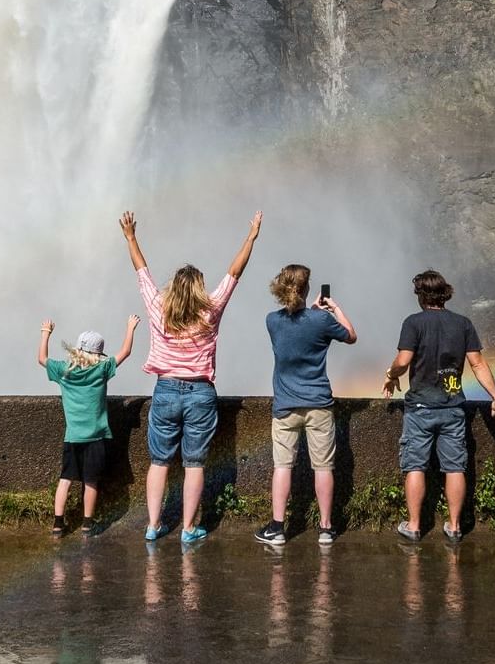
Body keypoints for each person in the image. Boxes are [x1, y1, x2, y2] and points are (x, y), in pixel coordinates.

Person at [120, 208, 262, 545]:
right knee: (195, 463)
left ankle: (153, 525)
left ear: (173, 288)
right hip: (200, 393)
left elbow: (142, 273)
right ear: (198, 289)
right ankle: (187, 529)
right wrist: (251, 237)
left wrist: (130, 237)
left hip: (166, 390)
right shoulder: (211, 311)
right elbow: (233, 273)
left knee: (159, 461)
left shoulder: (158, 308)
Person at [381, 269, 495, 544]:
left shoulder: (413, 323)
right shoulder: (462, 324)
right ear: (444, 294)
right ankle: (454, 526)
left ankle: (414, 526)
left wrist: (391, 376)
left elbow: (403, 360)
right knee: (455, 467)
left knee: (415, 465)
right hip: (453, 405)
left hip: (421, 405)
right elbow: (478, 364)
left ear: (421, 295)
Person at [256, 264, 356, 547]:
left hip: (285, 406)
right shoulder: (321, 320)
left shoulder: (271, 321)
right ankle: (325, 528)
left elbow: (294, 326)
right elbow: (351, 335)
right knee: (323, 467)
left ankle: (277, 528)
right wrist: (332, 308)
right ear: (307, 288)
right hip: (319, 405)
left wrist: (310, 311)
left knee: (282, 466)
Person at [38, 315, 138, 536]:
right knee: (90, 481)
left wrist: (46, 332)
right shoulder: (101, 370)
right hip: (96, 436)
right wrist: (130, 327)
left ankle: (57, 524)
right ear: (98, 353)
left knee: (65, 479)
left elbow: (42, 358)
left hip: (72, 436)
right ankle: (87, 524)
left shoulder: (64, 371)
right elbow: (126, 352)